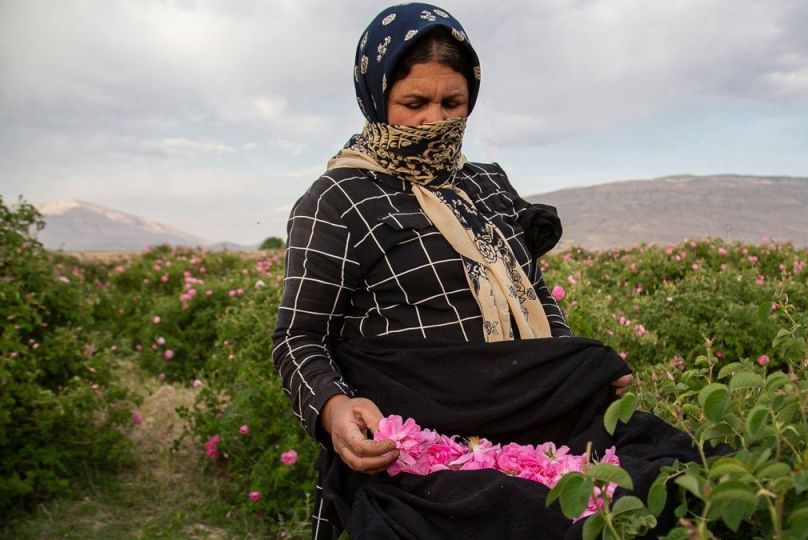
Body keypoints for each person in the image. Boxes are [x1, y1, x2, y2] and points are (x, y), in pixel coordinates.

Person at [273, 4, 711, 538]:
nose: (435, 119)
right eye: (414, 103)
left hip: (534, 417)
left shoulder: (486, 185)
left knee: (680, 479)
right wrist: (333, 407)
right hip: (424, 442)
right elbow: (298, 336)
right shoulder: (340, 200)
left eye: (452, 103)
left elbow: (533, 294)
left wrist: (574, 376)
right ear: (375, 96)